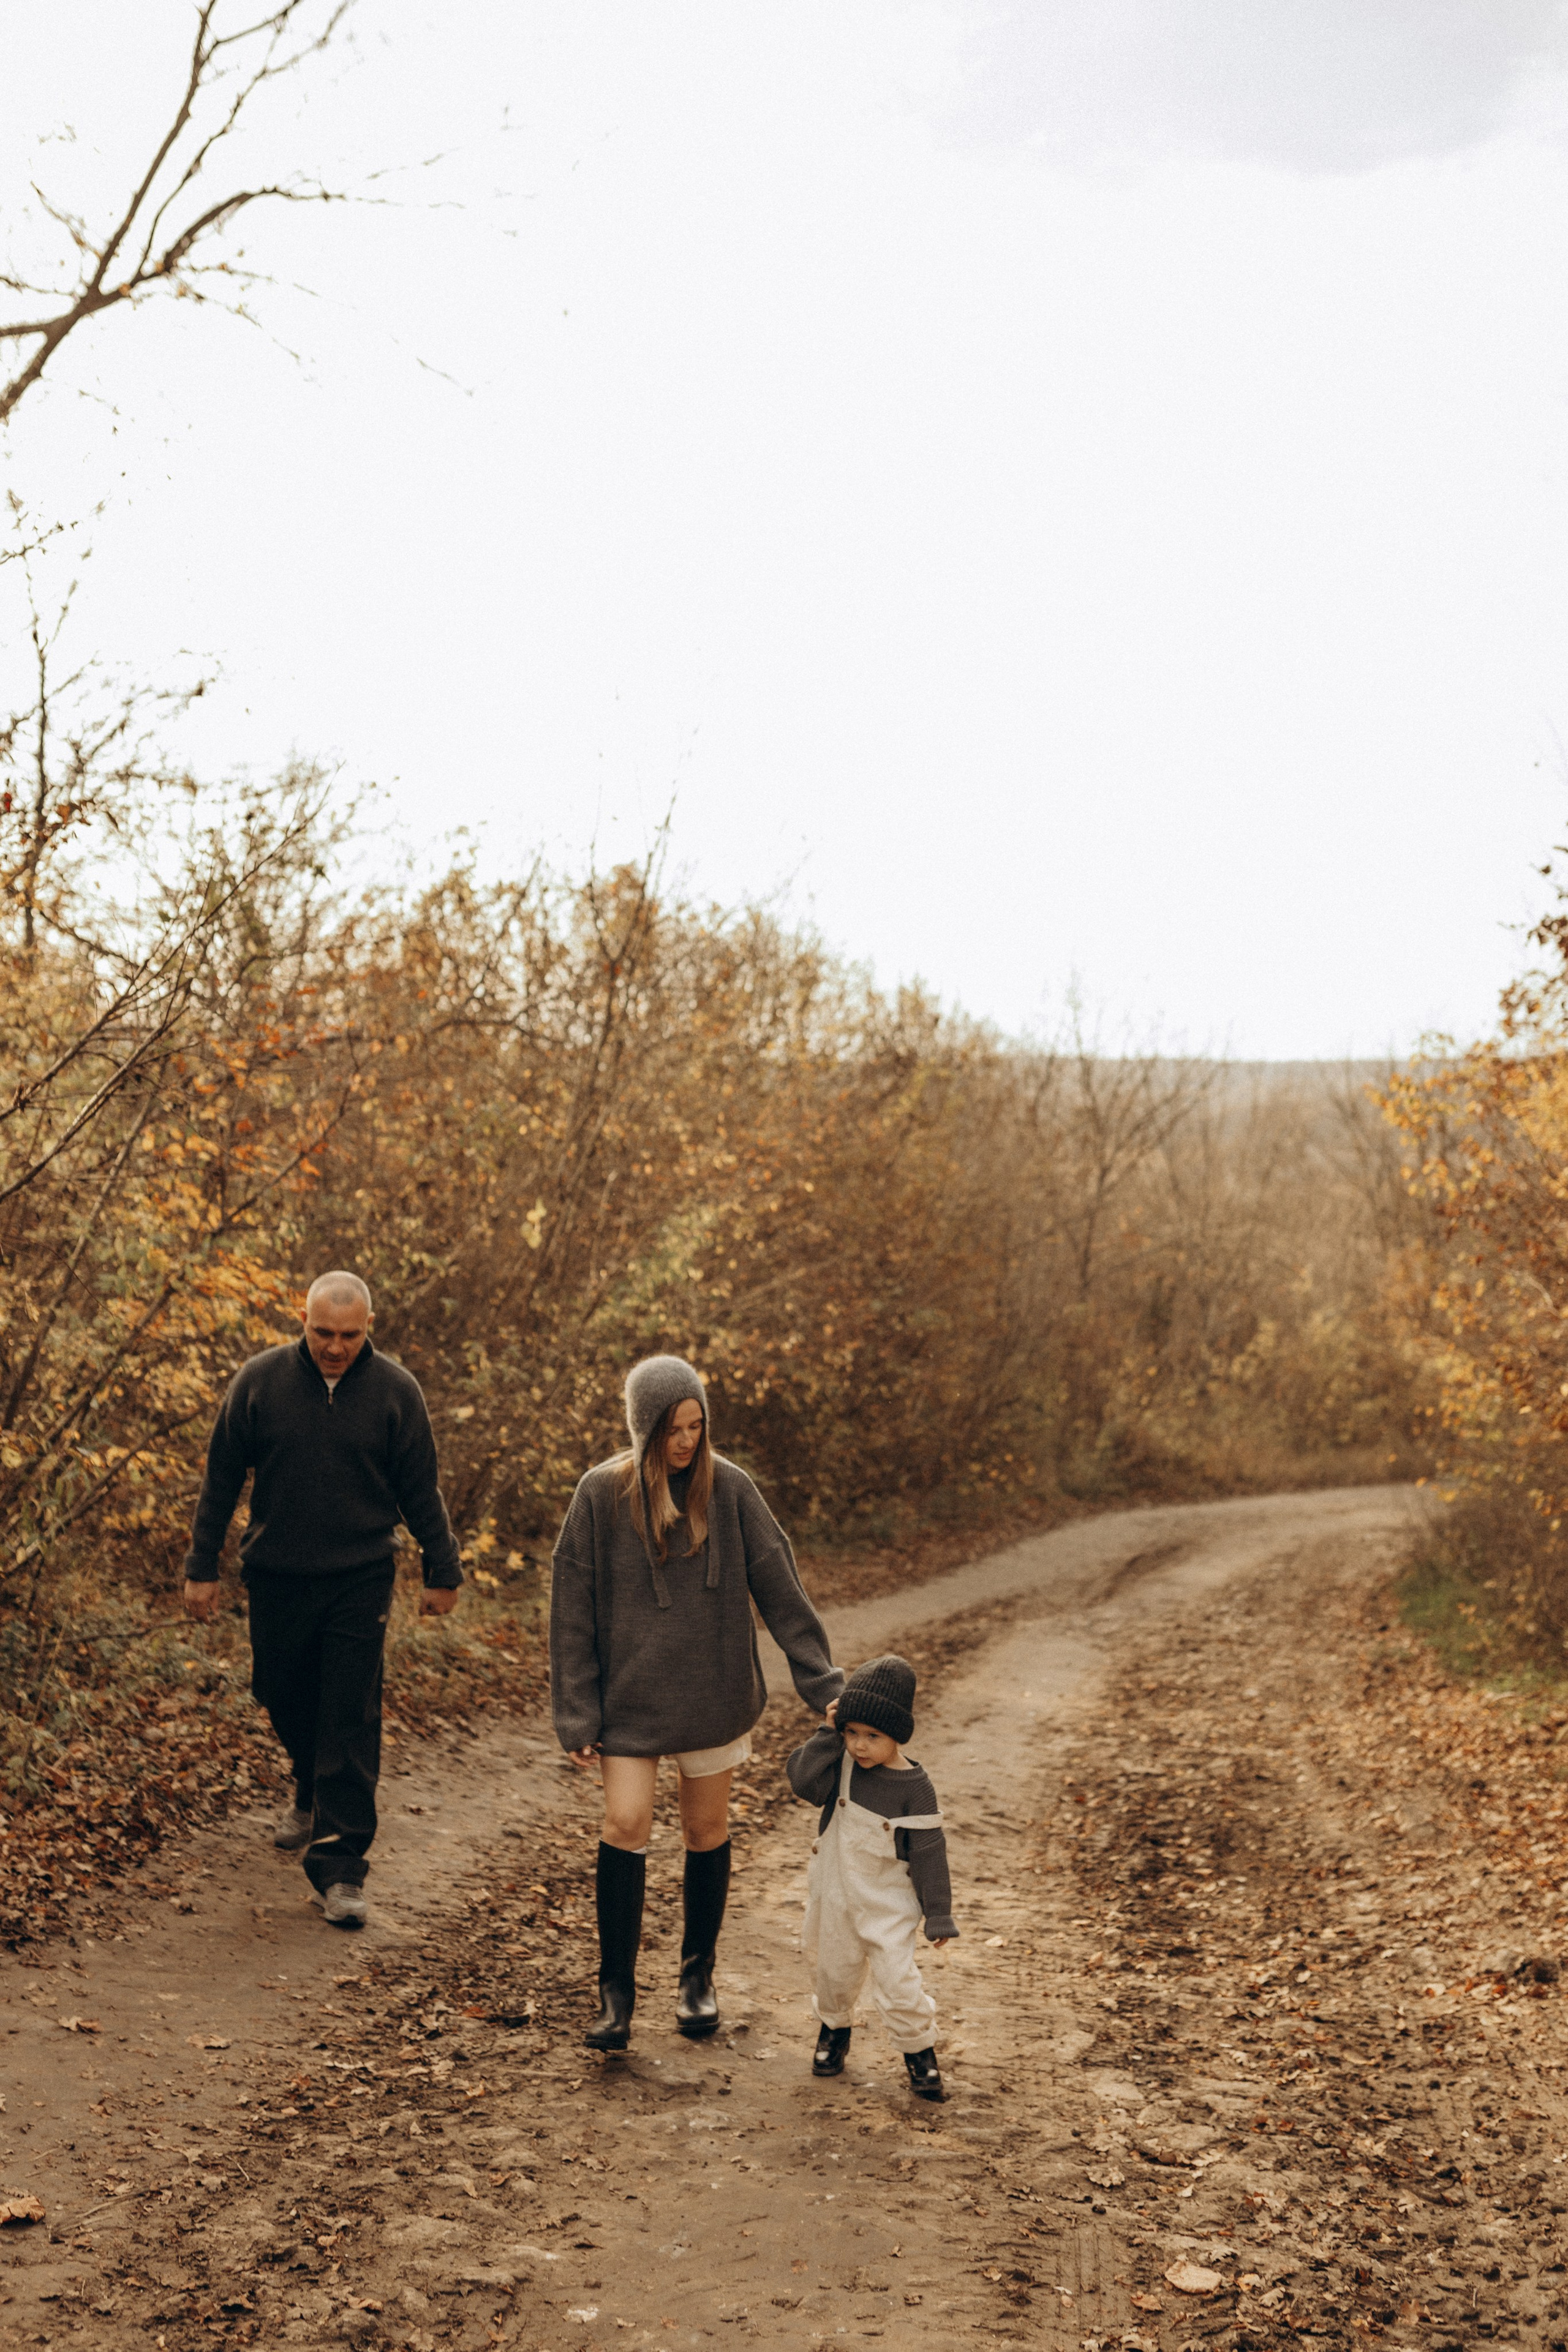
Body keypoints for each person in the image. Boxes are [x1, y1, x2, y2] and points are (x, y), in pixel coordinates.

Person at [550, 1354, 843, 2052]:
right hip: (629, 1701)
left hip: (712, 1692)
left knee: (705, 1831)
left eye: (696, 1425)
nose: (686, 1440)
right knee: (624, 1824)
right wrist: (576, 1711)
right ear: (643, 1428)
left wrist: (826, 1687)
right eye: (673, 1428)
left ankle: (695, 1979)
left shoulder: (731, 1490)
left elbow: (780, 1587)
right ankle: (615, 1996)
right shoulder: (600, 1495)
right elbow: (571, 1610)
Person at [182, 1271, 462, 1928]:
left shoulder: (396, 1392)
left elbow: (421, 1488)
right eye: (322, 1333)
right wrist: (201, 1565)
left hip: (360, 1575)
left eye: (349, 1335)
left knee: (349, 1712)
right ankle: (309, 1783)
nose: (335, 1347)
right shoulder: (259, 1381)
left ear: (369, 1328)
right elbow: (221, 1477)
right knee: (280, 1691)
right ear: (301, 1320)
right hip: (276, 1573)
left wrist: (441, 1568)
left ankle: (340, 1870)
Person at [786, 1653, 958, 2102]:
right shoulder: (837, 1765)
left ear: (897, 1737)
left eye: (873, 1737)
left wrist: (938, 1914)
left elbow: (928, 1853)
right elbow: (802, 1782)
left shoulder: (914, 1787)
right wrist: (827, 1733)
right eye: (852, 1733)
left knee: (900, 1982)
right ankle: (833, 2032)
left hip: (889, 1905)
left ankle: (920, 2054)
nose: (860, 1746)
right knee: (832, 1972)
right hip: (836, 1896)